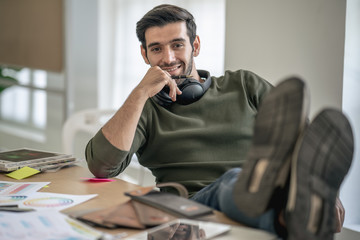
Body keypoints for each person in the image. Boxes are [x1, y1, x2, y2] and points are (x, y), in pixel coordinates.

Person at [85, 4, 354, 239]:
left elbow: (306, 140)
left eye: (177, 44)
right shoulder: (145, 108)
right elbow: (101, 166)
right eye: (156, 49)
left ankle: (291, 208)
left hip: (258, 208)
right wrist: (140, 92)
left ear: (196, 45)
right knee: (234, 180)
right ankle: (283, 205)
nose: (168, 58)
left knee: (257, 189)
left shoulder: (244, 85)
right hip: (191, 213)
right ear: (145, 55)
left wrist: (329, 194)